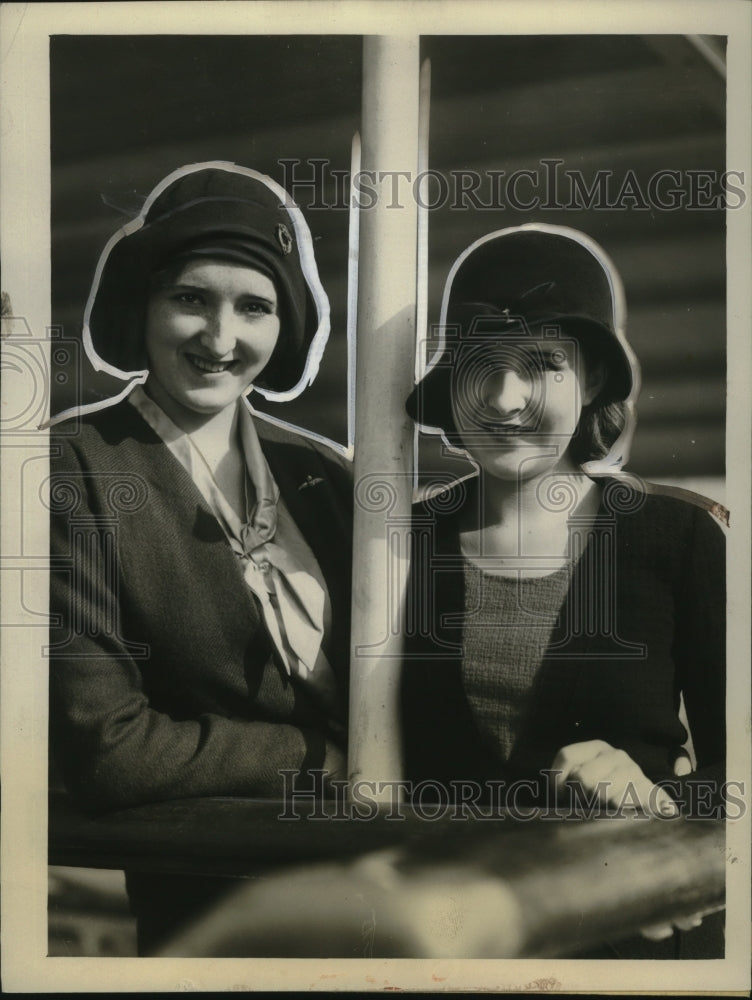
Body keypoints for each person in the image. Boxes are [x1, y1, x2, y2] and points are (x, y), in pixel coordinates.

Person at [48, 162, 352, 952]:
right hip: (209, 916)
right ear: (142, 307)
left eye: (253, 307)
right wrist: (323, 758)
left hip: (382, 893)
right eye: (190, 299)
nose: (221, 340)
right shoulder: (68, 469)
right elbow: (108, 750)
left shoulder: (330, 478)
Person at [401, 223, 727, 958]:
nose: (506, 398)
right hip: (451, 947)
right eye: (480, 365)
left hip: (635, 943)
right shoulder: (396, 543)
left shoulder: (679, 538)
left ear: (594, 385)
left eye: (543, 363)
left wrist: (667, 801)